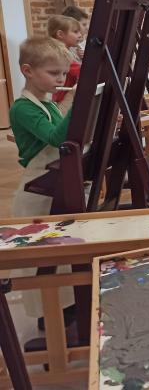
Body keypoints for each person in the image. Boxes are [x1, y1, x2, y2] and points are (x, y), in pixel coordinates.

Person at [9, 37, 76, 324]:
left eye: (63, 73)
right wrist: (79, 103)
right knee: (41, 256)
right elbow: (55, 138)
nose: (60, 79)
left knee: (60, 253)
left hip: (51, 186)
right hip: (34, 195)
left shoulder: (47, 103)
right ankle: (47, 316)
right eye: (53, 73)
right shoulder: (23, 108)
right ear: (28, 70)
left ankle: (66, 308)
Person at [47, 15, 83, 113]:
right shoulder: (60, 53)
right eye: (75, 32)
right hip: (62, 99)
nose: (80, 35)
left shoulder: (66, 51)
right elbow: (80, 71)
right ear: (60, 34)